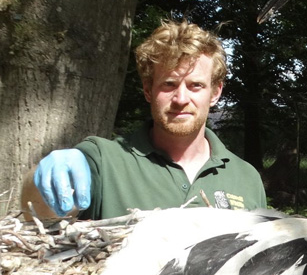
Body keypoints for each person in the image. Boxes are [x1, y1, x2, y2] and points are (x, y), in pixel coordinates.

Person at [21, 20, 267, 220]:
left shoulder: (247, 178)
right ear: (148, 90)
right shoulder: (103, 160)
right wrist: (39, 183)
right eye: (169, 84)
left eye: (196, 86)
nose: (181, 98)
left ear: (215, 93)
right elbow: (42, 217)